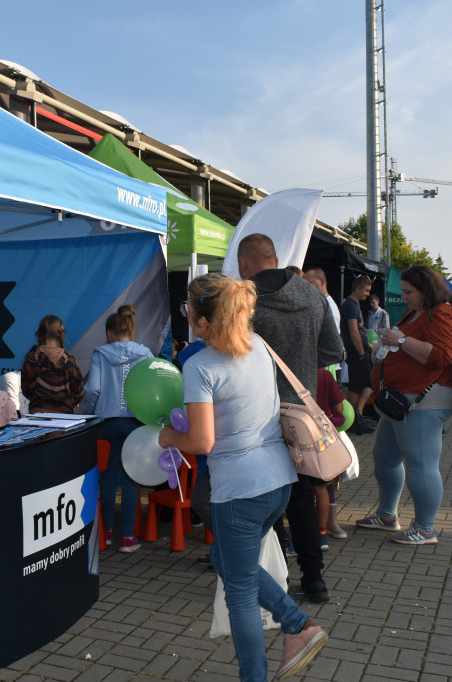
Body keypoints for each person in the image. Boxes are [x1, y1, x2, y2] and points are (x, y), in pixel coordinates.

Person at [158, 274, 327, 681]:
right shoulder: (259, 349)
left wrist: (169, 436)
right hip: (279, 484)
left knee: (239, 594)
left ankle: (285, 643)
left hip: (238, 493)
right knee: (230, 563)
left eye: (187, 310)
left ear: (201, 321)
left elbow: (201, 440)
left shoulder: (199, 365)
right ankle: (297, 624)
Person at [238, 235, 345, 605]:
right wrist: (298, 368)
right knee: (300, 497)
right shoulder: (312, 295)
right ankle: (315, 581)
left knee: (262, 499)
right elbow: (334, 351)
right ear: (276, 257)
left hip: (256, 413)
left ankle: (276, 578)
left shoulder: (243, 301)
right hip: (300, 416)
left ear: (245, 263)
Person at [357, 265, 452, 545]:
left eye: (408, 292)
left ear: (426, 290)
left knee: (421, 464)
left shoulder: (443, 313)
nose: (404, 297)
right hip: (401, 402)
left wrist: (401, 340)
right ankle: (387, 515)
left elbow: (440, 356)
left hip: (423, 403)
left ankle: (426, 528)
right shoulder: (418, 312)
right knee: (385, 458)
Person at [81, 305, 153, 553]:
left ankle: (107, 533)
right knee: (131, 480)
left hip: (106, 423)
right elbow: (154, 387)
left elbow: (92, 389)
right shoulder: (144, 353)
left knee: (109, 478)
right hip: (135, 423)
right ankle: (128, 539)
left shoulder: (100, 353)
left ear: (110, 332)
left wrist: (93, 411)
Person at [21, 315, 84, 414]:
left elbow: (25, 390)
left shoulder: (30, 359)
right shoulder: (68, 359)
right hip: (65, 417)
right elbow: (78, 391)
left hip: (37, 415)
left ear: (40, 334)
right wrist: (73, 400)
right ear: (61, 334)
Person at [314, 368, 348, 545]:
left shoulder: (285, 370)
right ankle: (322, 534)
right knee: (323, 486)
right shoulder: (324, 374)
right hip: (322, 437)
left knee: (298, 489)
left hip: (294, 434)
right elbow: (338, 407)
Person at [341, 276, 376, 435]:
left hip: (361, 349)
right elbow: (354, 331)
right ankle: (354, 418)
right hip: (358, 352)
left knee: (365, 384)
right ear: (358, 289)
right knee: (360, 385)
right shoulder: (351, 305)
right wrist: (362, 352)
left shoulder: (352, 305)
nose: (368, 294)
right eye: (366, 290)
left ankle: (357, 416)